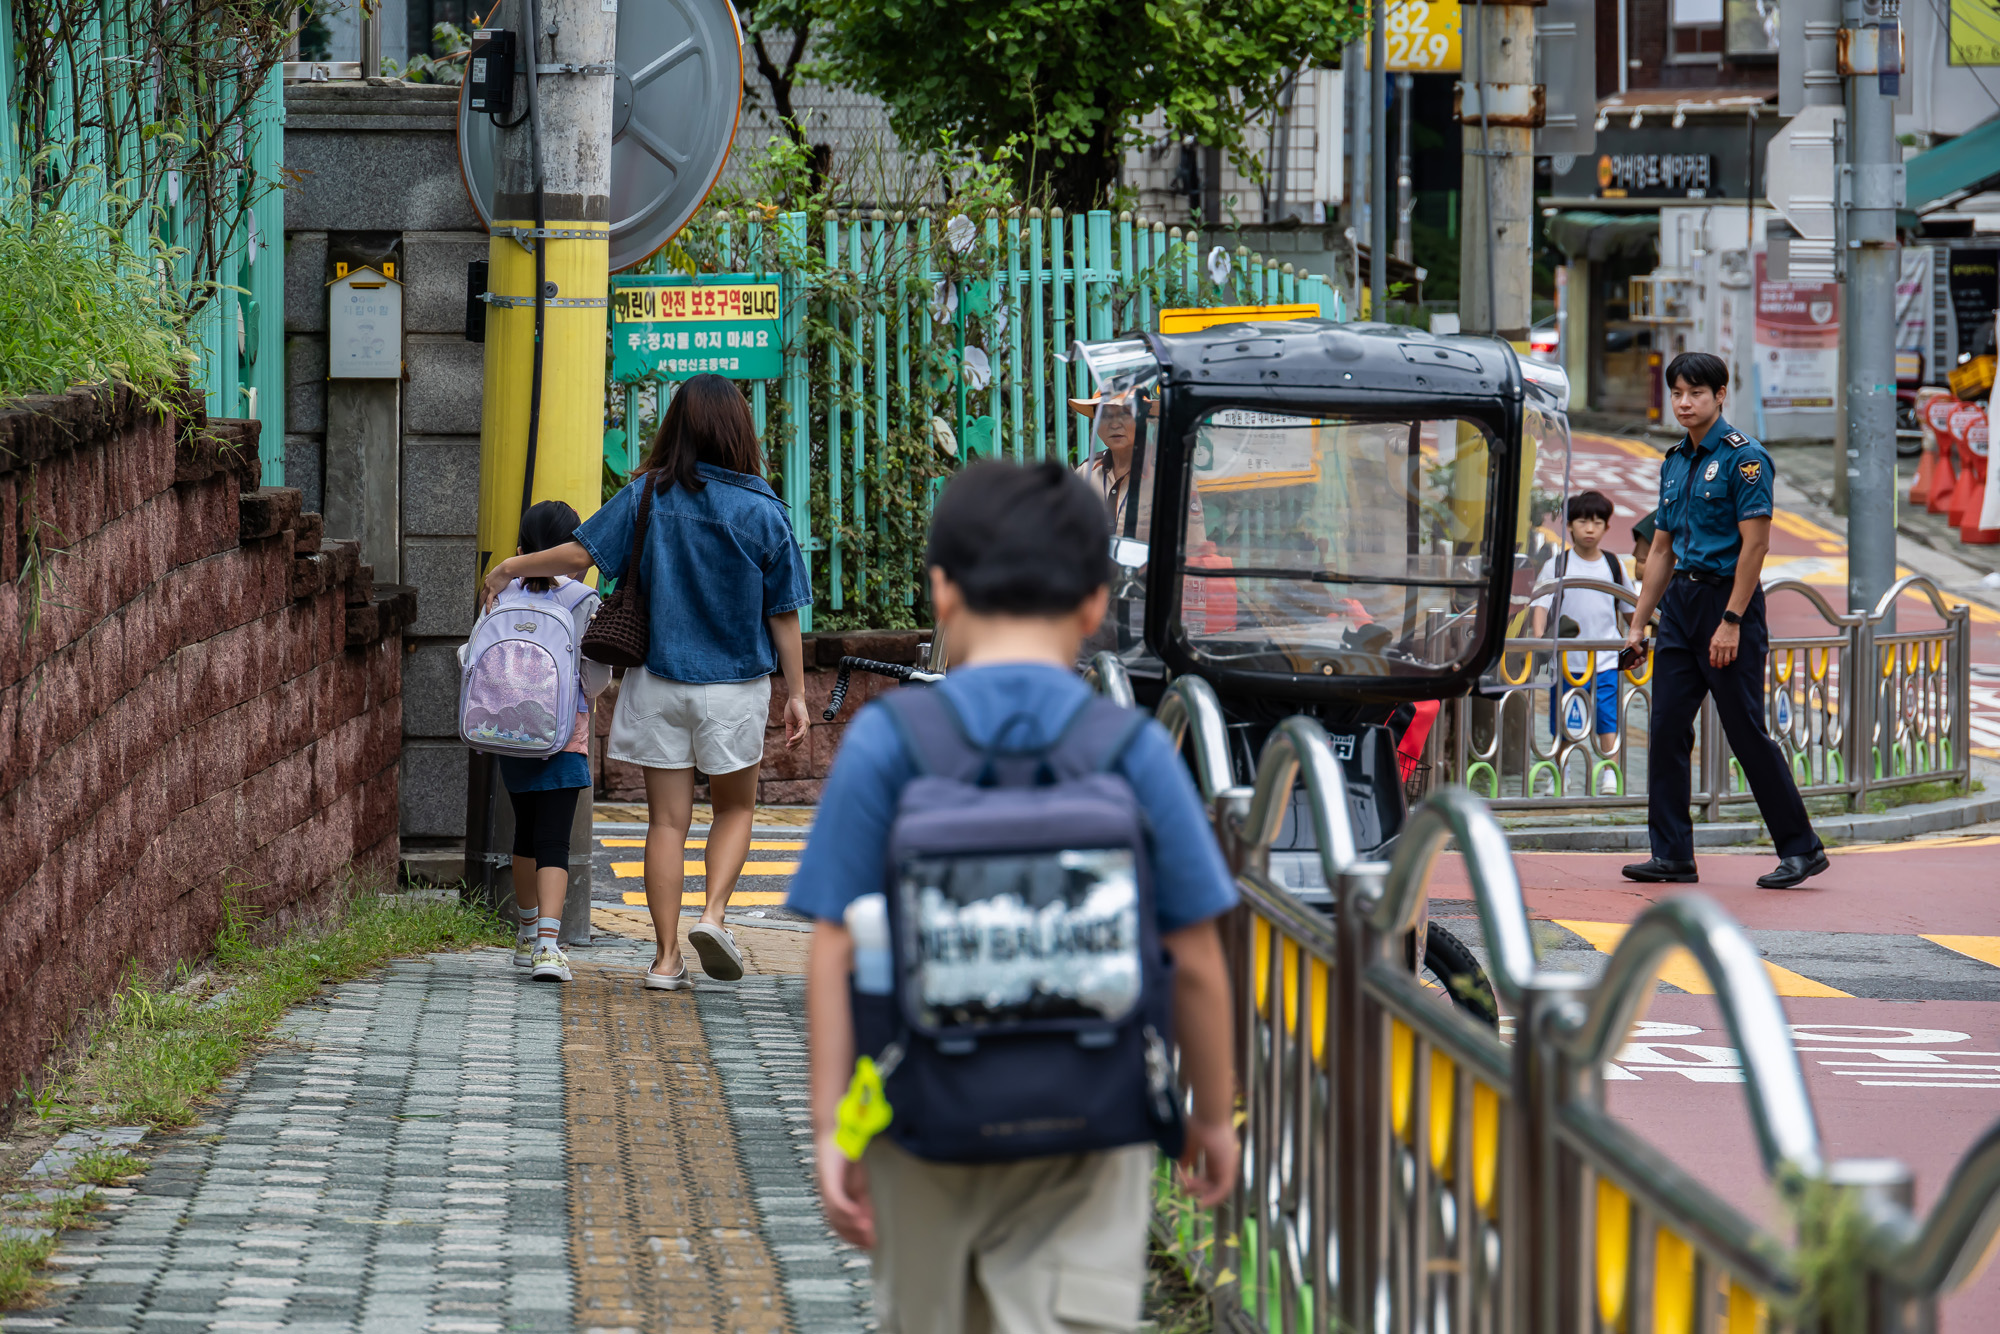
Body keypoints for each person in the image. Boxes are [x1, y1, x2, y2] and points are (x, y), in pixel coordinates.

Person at [790, 460, 1240, 1333]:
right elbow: (1197, 959)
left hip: (919, 1116)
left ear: (942, 592)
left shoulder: (891, 741)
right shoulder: (1133, 751)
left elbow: (834, 944)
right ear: (1093, 603)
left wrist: (829, 1128)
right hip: (1094, 1118)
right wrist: (1211, 1117)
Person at [483, 374, 814, 988]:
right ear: (739, 430)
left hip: (659, 682)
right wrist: (797, 694)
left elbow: (578, 555)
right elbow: (784, 612)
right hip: (735, 686)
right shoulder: (764, 511)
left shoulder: (647, 497)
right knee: (736, 807)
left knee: (667, 823)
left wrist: (511, 566)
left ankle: (664, 959)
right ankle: (714, 915)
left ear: (677, 428)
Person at [1619, 352, 1827, 889]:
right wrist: (1639, 625)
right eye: (1678, 393)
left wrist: (1731, 620)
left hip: (1727, 605)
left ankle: (1801, 849)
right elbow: (1662, 549)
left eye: (1696, 393)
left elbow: (1755, 547)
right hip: (1680, 611)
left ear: (1720, 395)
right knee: (1665, 728)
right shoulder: (1673, 460)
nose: (1684, 403)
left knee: (1745, 732)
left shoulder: (1745, 459)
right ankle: (1672, 855)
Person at [477, 500, 611, 983]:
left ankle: (526, 932)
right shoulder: (582, 600)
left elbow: (474, 656)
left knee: (525, 836)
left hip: (507, 730)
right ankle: (549, 947)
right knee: (554, 839)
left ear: (522, 549)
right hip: (563, 735)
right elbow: (595, 680)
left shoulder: (501, 589)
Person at [1529, 490, 1629, 792]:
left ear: (1606, 528)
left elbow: (1631, 608)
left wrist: (1636, 638)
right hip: (1566, 660)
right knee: (1565, 716)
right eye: (1583, 521)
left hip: (1606, 659)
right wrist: (1539, 640)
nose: (1590, 528)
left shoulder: (1613, 565)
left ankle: (1609, 771)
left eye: (1597, 522)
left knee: (1606, 716)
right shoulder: (1558, 565)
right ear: (1569, 525)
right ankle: (1562, 770)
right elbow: (1541, 605)